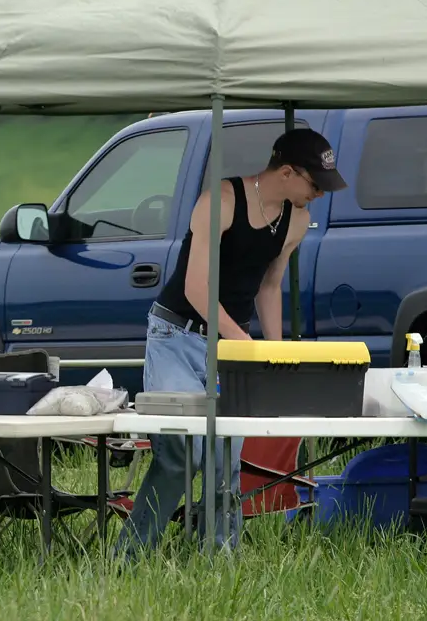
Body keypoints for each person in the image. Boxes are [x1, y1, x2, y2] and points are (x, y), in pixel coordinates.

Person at [113, 128, 347, 557]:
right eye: (316, 185)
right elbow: (197, 288)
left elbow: (269, 287)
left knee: (224, 460)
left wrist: (275, 355)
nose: (319, 195)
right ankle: (130, 555)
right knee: (180, 455)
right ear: (288, 172)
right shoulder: (219, 202)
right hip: (176, 335)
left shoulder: (295, 221)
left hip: (231, 344)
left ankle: (220, 559)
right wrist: (246, 345)